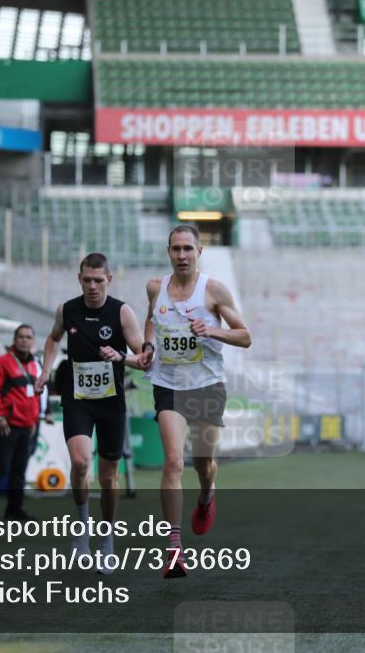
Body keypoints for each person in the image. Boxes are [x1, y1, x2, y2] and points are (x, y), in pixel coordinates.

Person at [143, 225, 252, 578]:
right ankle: (174, 548)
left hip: (206, 385)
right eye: (176, 249)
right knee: (173, 461)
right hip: (169, 385)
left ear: (199, 251)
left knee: (203, 464)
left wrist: (212, 330)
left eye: (188, 248)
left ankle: (207, 493)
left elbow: (245, 336)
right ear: (168, 252)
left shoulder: (214, 290)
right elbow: (151, 320)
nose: (182, 255)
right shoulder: (155, 288)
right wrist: (147, 346)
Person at [35, 252, 149, 574]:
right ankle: (82, 529)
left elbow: (143, 356)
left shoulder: (122, 312)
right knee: (81, 461)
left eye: (99, 280)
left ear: (109, 280)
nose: (93, 286)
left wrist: (120, 355)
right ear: (79, 278)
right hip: (78, 397)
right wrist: (45, 371)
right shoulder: (67, 310)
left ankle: (106, 540)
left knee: (108, 476)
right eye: (87, 280)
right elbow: (53, 339)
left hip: (111, 400)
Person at [0, 324, 42, 522]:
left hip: (26, 426)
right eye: (20, 337)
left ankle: (14, 509)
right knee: (1, 467)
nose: (24, 340)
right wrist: (0, 416)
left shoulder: (32, 364)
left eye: (28, 337)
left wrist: (34, 421)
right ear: (14, 340)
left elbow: (34, 397)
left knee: (19, 470)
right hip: (8, 424)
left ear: (32, 341)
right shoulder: (2, 363)